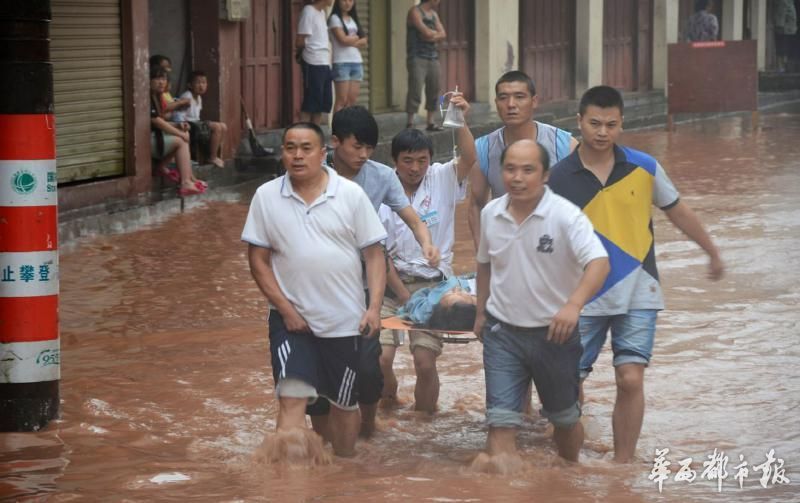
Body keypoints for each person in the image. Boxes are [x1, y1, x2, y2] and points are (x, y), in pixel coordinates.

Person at [548, 85, 725, 463]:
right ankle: (568, 465)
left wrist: (710, 251)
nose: (602, 132)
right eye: (594, 123)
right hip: (580, 296)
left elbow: (677, 211)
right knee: (566, 383)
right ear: (578, 122)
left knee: (630, 378)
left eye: (611, 124)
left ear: (621, 124)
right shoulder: (557, 178)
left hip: (638, 289)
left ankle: (622, 466)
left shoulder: (644, 167)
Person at [242, 122, 387, 458]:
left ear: (324, 153)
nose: (297, 155)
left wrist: (374, 308)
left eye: (306, 148)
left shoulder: (350, 195)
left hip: (344, 322)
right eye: (290, 147)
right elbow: (258, 261)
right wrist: (287, 311)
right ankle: (289, 484)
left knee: (343, 405)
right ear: (282, 153)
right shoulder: (267, 196)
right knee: (292, 399)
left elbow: (374, 255)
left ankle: (342, 474)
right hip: (291, 323)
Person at [473, 139, 609, 465]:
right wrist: (480, 312)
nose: (517, 177)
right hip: (502, 333)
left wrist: (574, 305)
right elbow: (484, 265)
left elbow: (599, 262)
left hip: (555, 335)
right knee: (500, 426)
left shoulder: (565, 217)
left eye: (528, 170)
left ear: (545, 175)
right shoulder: (491, 213)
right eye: (510, 169)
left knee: (563, 421)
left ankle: (570, 476)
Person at [318, 105, 441, 438]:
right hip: (320, 284)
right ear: (334, 143)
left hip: (364, 283)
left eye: (369, 148)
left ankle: (368, 428)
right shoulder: (314, 174)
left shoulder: (382, 176)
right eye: (356, 146)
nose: (363, 154)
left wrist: (427, 243)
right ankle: (329, 433)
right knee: (322, 366)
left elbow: (412, 219)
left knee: (369, 365)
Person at [378, 92, 477, 413]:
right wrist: (404, 296)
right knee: (380, 358)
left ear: (430, 160)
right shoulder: (380, 189)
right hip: (389, 287)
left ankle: (424, 420)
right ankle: (387, 401)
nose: (415, 168)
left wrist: (461, 119)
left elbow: (469, 158)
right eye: (407, 161)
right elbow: (379, 254)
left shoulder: (442, 177)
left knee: (423, 361)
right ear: (395, 162)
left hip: (435, 287)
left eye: (422, 160)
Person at [468, 71, 578, 250]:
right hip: (507, 244)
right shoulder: (483, 149)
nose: (511, 105)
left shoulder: (564, 144)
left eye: (519, 97)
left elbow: (582, 198)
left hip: (554, 245)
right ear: (496, 103)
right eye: (503, 98)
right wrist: (483, 255)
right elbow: (476, 205)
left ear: (534, 101)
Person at [149, 65, 206, 196]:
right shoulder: (147, 97)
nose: (161, 82)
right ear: (149, 80)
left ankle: (189, 177)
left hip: (155, 136)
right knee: (181, 141)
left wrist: (179, 126)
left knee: (184, 134)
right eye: (157, 78)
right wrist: (178, 132)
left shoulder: (157, 97)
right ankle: (186, 182)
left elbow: (161, 120)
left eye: (163, 78)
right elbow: (156, 122)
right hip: (146, 140)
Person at [173, 70, 228, 169]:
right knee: (216, 127)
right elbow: (178, 115)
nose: (201, 86)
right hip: (189, 124)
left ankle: (213, 155)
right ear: (190, 85)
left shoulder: (198, 98)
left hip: (196, 123)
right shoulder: (187, 97)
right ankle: (212, 157)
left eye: (204, 82)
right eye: (198, 82)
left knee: (223, 126)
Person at [405, 0, 446, 131]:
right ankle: (410, 122)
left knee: (434, 88)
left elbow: (443, 34)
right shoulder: (415, 11)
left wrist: (431, 35)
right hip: (417, 56)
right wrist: (435, 35)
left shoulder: (433, 14)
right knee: (415, 89)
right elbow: (425, 31)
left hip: (433, 57)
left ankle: (431, 121)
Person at [296, 0, 335, 125]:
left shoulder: (322, 13)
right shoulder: (309, 11)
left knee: (322, 103)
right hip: (313, 61)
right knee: (310, 102)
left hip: (324, 62)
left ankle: (315, 136)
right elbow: (300, 40)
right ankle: (303, 134)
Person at [396, 273, 477, 331]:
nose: (456, 288)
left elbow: (417, 298)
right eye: (460, 293)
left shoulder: (427, 308)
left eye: (452, 292)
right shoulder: (485, 301)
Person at [328, 0, 367, 112]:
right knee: (341, 101)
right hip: (341, 63)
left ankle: (348, 128)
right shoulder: (334, 19)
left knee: (352, 100)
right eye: (344, 0)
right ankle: (337, 128)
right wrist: (355, 38)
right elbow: (342, 40)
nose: (347, 3)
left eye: (350, 0)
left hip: (357, 62)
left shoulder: (353, 18)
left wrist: (350, 40)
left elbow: (364, 40)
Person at [774, 0, 798, 72]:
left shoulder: (790, 2)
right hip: (785, 30)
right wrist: (779, 25)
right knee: (782, 48)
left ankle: (785, 67)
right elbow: (781, 13)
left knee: (786, 49)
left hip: (790, 29)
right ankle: (781, 67)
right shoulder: (784, 1)